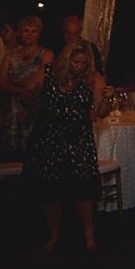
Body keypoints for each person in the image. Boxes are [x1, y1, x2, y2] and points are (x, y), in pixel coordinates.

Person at [25, 41, 110, 251]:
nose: (79, 66)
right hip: (50, 137)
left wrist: (108, 99)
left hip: (78, 138)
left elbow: (100, 112)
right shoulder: (48, 73)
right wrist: (30, 91)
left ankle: (89, 235)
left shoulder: (93, 79)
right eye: (75, 61)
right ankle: (54, 235)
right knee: (52, 188)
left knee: (84, 188)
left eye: (83, 62)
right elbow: (28, 96)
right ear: (66, 59)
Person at [0, 15, 54, 160]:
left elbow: (42, 81)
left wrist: (15, 83)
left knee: (35, 151)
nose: (29, 34)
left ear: (39, 34)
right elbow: (1, 83)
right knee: (11, 155)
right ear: (19, 33)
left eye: (33, 31)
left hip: (36, 109)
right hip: (11, 110)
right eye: (26, 30)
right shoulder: (10, 56)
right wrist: (24, 87)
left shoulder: (46, 54)